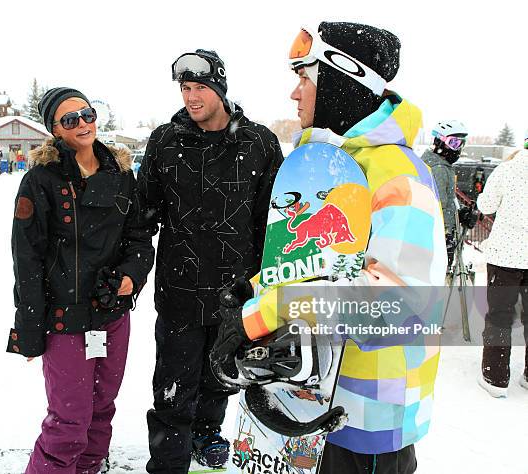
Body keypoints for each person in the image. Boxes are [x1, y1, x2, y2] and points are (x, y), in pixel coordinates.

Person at [211, 22, 447, 474]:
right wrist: (254, 292)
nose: (294, 94)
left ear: (342, 81)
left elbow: (397, 307)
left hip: (368, 419)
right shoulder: (335, 167)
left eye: (305, 78)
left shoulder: (400, 177)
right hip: (310, 403)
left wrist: (263, 315)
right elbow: (320, 264)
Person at [138, 49, 284, 472]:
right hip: (179, 287)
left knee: (221, 374)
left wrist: (265, 281)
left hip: (234, 290)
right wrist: (130, 269)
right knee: (173, 382)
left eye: (200, 87)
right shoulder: (166, 141)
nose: (192, 97)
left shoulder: (257, 142)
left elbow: (270, 221)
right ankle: (168, 458)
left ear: (220, 88)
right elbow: (144, 213)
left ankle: (206, 432)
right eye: (185, 88)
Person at [6, 87, 154, 473]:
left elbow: (139, 237)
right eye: (70, 119)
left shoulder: (121, 175)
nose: (83, 124)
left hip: (112, 314)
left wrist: (130, 276)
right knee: (69, 420)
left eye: (87, 114)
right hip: (63, 319)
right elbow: (27, 259)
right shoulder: (41, 181)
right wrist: (29, 329)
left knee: (102, 409)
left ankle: (89, 468)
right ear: (55, 129)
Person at [476, 146, 528, 397]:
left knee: (500, 315)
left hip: (506, 257)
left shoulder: (507, 169)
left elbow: (486, 205)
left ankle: (495, 377)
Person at [421, 121, 469, 267]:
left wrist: (461, 212)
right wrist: (445, 234)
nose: (458, 149)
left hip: (440, 235)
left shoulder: (442, 166)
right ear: (439, 142)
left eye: (461, 143)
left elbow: (449, 199)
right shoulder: (439, 168)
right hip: (437, 238)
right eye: (453, 143)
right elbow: (438, 205)